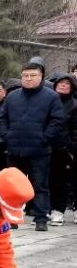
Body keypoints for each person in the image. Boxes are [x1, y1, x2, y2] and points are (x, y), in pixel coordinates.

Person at [0, 57, 66, 232]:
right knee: (13, 186)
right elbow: (2, 119)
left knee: (40, 186)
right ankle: (11, 218)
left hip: (40, 150)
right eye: (25, 75)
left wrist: (45, 137)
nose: (28, 78)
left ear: (41, 76)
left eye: (32, 75)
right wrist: (7, 137)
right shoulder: (12, 97)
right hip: (15, 150)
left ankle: (41, 218)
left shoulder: (51, 97)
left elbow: (57, 121)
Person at [48, 73, 77, 225]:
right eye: (61, 83)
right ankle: (49, 209)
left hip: (66, 150)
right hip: (48, 147)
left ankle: (59, 211)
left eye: (67, 83)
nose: (63, 85)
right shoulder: (48, 102)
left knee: (63, 181)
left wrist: (71, 147)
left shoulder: (74, 105)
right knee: (49, 180)